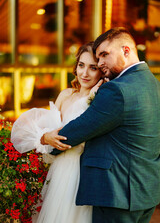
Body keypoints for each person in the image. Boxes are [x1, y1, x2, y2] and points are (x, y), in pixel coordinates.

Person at [43, 27, 160, 223]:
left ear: (126, 50)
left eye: (105, 55)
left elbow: (76, 131)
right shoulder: (152, 83)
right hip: (145, 192)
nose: (101, 62)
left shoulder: (117, 89)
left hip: (117, 194)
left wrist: (44, 141)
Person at [11, 42, 104, 223]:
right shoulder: (66, 95)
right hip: (59, 168)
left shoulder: (101, 98)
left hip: (81, 170)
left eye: (93, 68)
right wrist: (45, 137)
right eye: (81, 65)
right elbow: (47, 130)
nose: (85, 73)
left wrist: (92, 98)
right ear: (76, 66)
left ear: (101, 70)